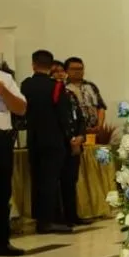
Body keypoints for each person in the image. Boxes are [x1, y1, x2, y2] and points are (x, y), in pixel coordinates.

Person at [20, 50, 73, 235]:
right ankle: (48, 221)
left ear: (33, 64)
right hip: (53, 139)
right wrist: (68, 136)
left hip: (33, 138)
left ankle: (39, 218)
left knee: (37, 179)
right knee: (51, 180)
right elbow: (63, 115)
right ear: (51, 67)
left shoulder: (25, 85)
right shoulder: (56, 87)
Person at [51, 60, 89, 227]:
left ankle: (72, 214)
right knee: (59, 182)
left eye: (61, 71)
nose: (59, 74)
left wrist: (81, 135)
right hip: (62, 143)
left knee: (71, 181)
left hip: (75, 142)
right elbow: (58, 120)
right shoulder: (52, 95)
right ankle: (60, 217)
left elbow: (80, 117)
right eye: (55, 71)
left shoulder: (70, 94)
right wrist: (70, 139)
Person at [0, 63, 27, 256]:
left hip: (1, 139)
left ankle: (2, 241)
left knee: (1, 191)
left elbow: (21, 109)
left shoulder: (5, 78)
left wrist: (2, 91)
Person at [64, 57, 107, 133]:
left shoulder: (91, 86)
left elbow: (101, 107)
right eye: (74, 69)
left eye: (80, 69)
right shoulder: (62, 88)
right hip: (73, 132)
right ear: (66, 71)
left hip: (93, 131)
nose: (78, 72)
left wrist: (99, 126)